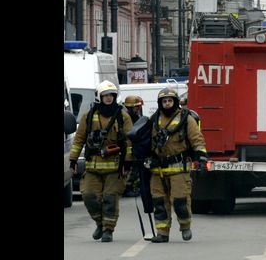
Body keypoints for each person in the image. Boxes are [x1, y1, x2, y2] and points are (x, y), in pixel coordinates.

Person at [70, 81, 134, 242]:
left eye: (111, 95)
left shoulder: (122, 116)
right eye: (105, 95)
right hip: (92, 167)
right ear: (100, 97)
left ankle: (108, 230)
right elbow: (79, 140)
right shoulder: (89, 116)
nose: (108, 98)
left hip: (115, 168)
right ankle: (99, 223)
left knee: (110, 199)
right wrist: (73, 160)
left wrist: (127, 162)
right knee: (89, 196)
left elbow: (129, 141)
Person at [146, 87, 208, 243]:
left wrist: (201, 157)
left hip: (179, 168)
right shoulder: (153, 120)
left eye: (170, 100)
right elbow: (146, 142)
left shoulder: (186, 119)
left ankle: (185, 226)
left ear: (175, 102)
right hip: (157, 169)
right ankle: (162, 233)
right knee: (159, 202)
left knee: (180, 201)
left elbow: (197, 139)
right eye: (164, 101)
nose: (167, 104)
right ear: (160, 103)